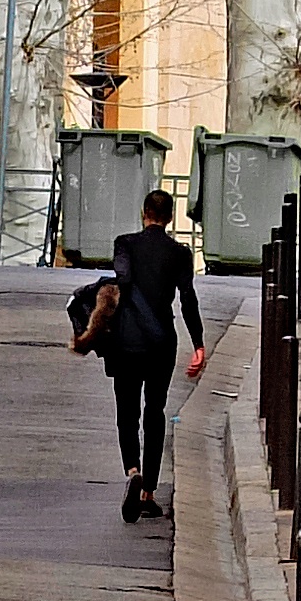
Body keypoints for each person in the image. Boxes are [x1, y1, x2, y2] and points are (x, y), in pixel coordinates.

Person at [102, 190, 209, 521]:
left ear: (143, 212)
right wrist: (199, 343)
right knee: (156, 411)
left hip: (127, 341)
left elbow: (123, 279)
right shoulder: (179, 253)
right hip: (162, 341)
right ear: (170, 217)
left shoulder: (125, 244)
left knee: (127, 410)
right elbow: (187, 299)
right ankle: (148, 491)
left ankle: (132, 469)